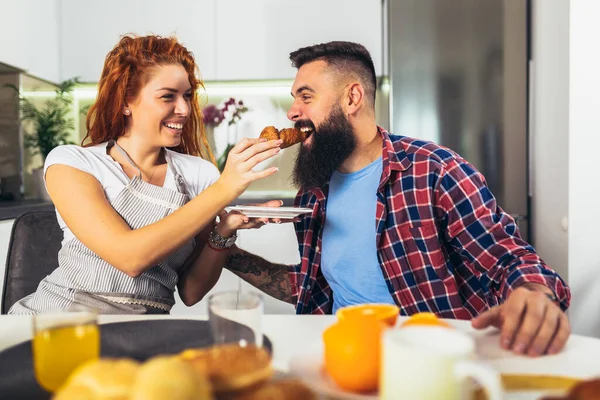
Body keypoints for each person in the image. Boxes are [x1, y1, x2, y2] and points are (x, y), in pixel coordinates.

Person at [224, 41, 572, 357]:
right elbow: (310, 286)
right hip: (345, 360)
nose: (292, 111)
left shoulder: (434, 171)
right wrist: (223, 248)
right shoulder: (315, 191)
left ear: (351, 98)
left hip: (428, 361)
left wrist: (536, 294)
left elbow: (507, 259)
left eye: (306, 96)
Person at [8, 34, 283, 315]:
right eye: (168, 96)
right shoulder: (74, 162)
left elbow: (191, 291)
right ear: (126, 101)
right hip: (61, 322)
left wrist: (225, 229)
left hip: (145, 329)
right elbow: (130, 257)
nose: (185, 109)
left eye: (187, 95)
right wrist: (225, 189)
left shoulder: (199, 174)